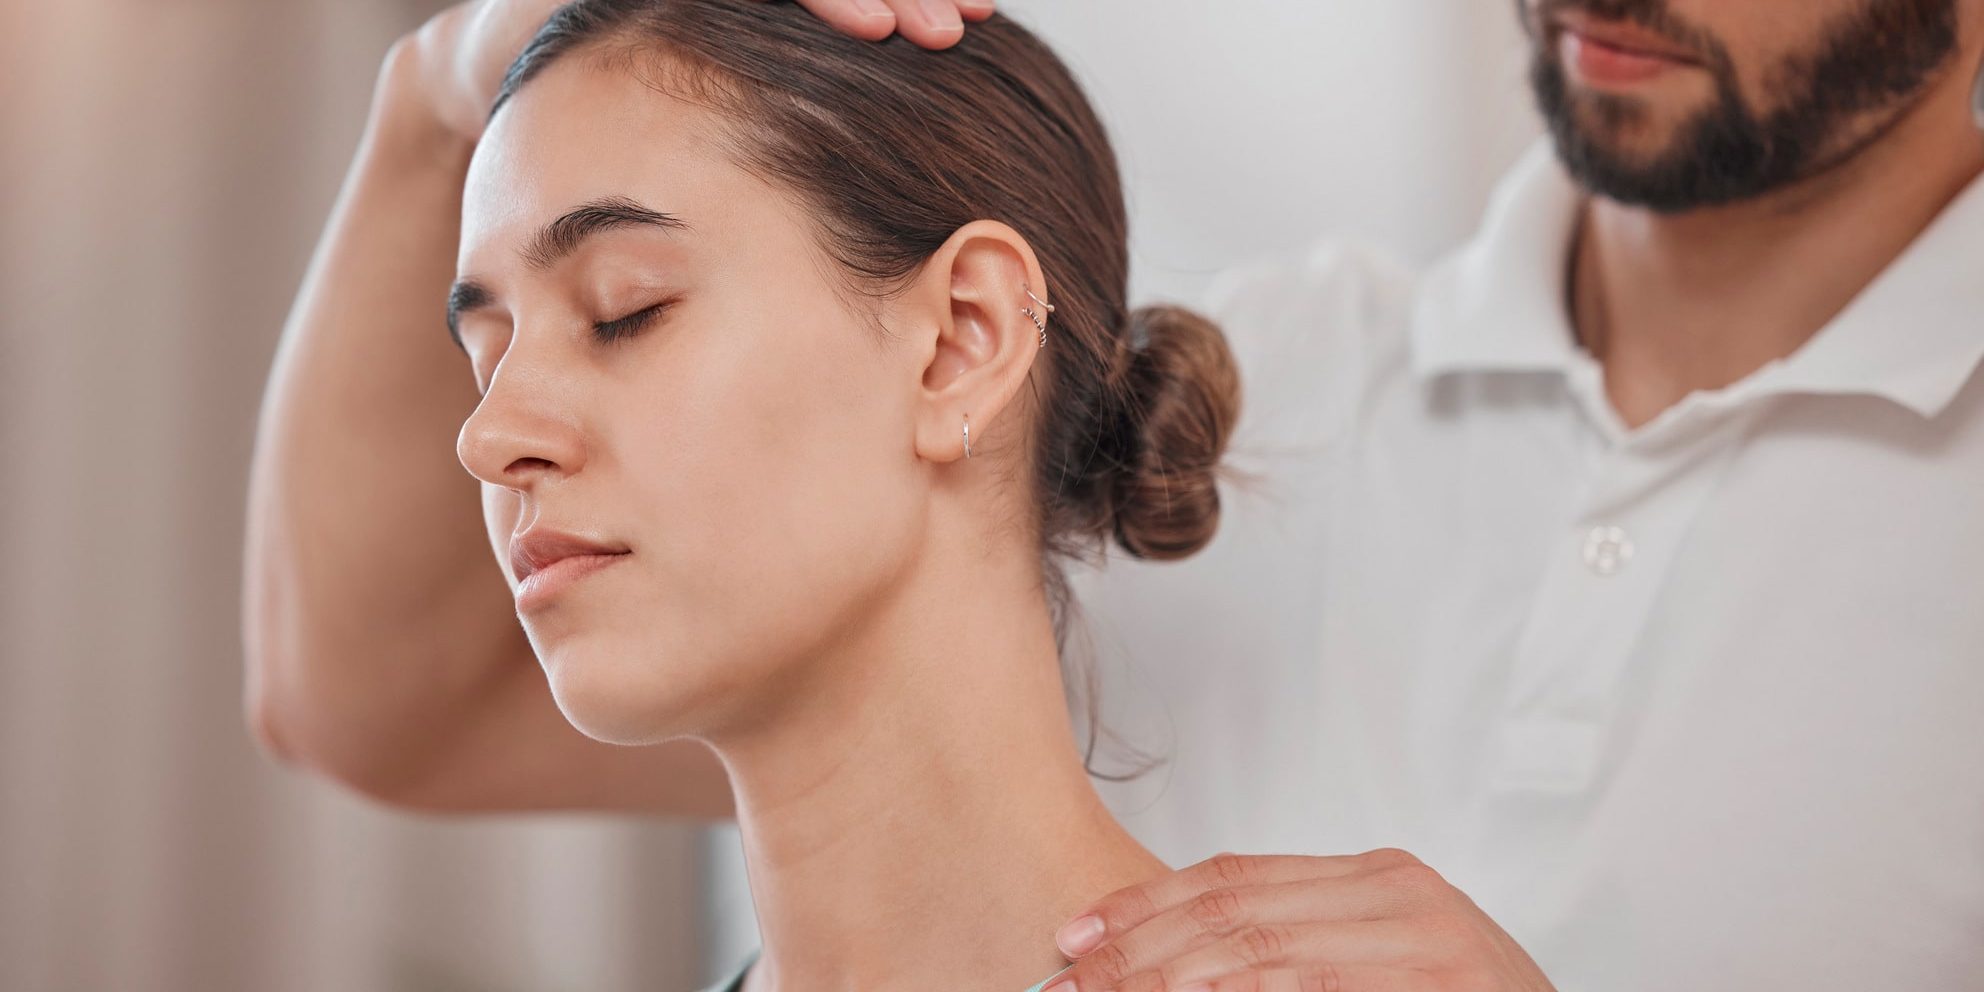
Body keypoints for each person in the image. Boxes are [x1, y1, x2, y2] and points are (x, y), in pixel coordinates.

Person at [243, 0, 1984, 989]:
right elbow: (391, 701)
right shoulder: (1243, 384)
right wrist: (453, 80)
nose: (498, 435)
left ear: (963, 342)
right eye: (495, 347)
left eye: (626, 312)